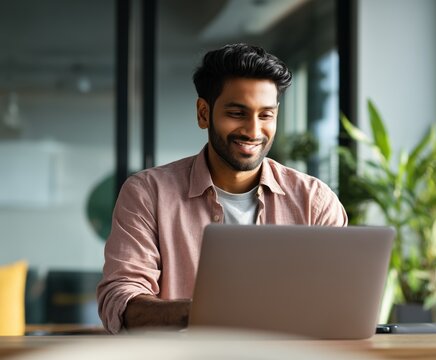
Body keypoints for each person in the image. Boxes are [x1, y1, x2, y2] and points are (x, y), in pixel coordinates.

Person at [96, 43, 348, 334]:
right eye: (237, 113)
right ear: (204, 113)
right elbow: (120, 301)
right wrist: (208, 314)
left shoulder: (314, 201)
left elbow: (338, 304)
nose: (254, 131)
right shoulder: (148, 193)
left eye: (265, 115)